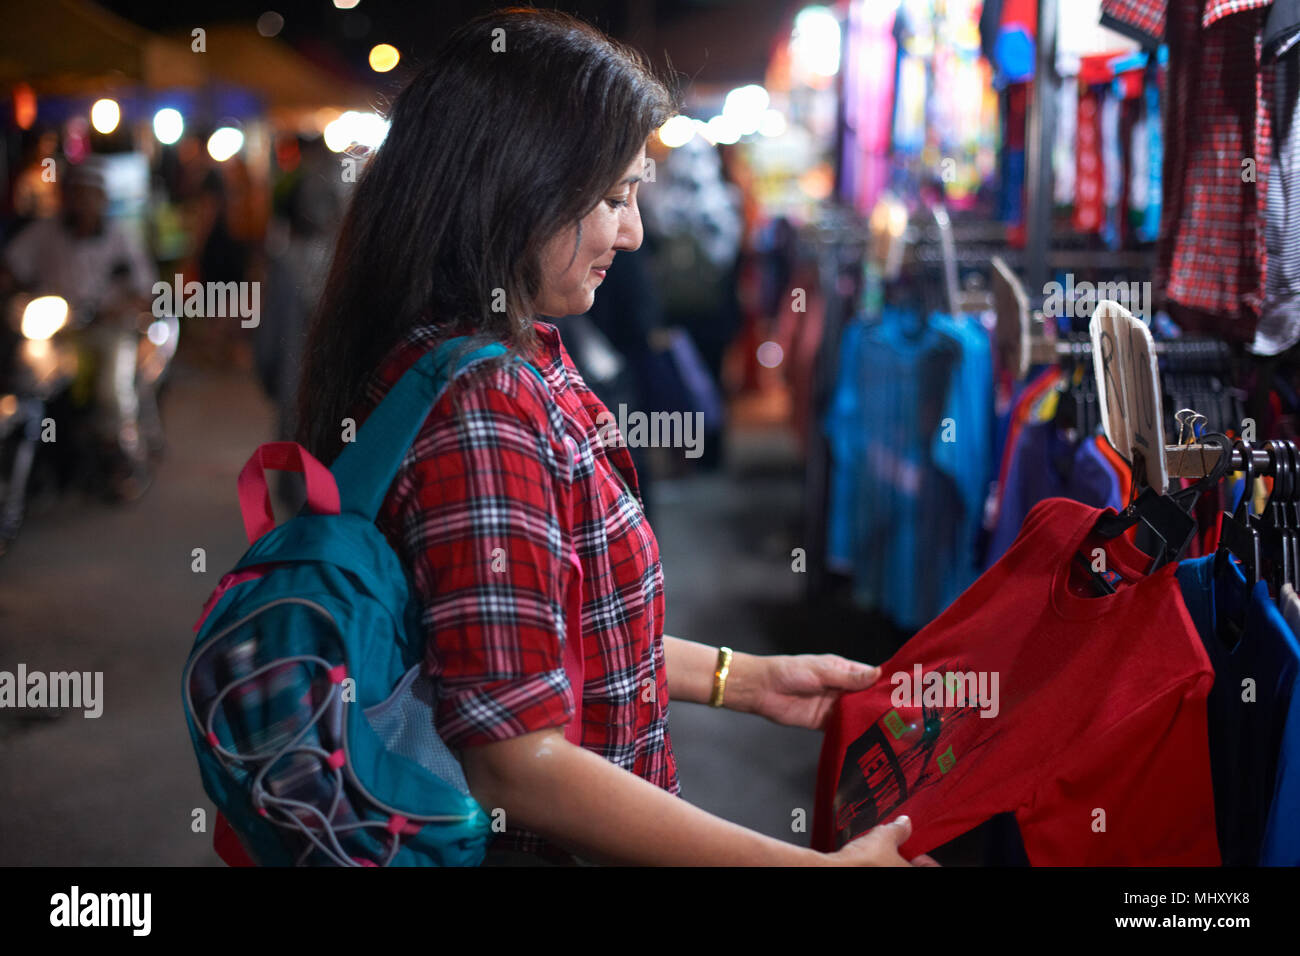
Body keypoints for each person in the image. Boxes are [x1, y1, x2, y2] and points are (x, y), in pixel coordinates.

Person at [295, 7, 936, 867]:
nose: (632, 233)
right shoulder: (484, 408)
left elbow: (544, 629)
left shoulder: (490, 360)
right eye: (614, 197)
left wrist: (741, 678)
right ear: (519, 188)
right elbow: (518, 764)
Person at [0, 157, 157, 498]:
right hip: (56, 330)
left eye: (90, 194)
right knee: (31, 381)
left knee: (109, 388)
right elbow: (12, 266)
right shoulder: (45, 232)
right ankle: (42, 454)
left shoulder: (120, 237)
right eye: (76, 193)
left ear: (102, 198)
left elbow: (145, 289)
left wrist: (121, 307)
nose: (83, 202)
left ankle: (118, 457)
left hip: (106, 329)